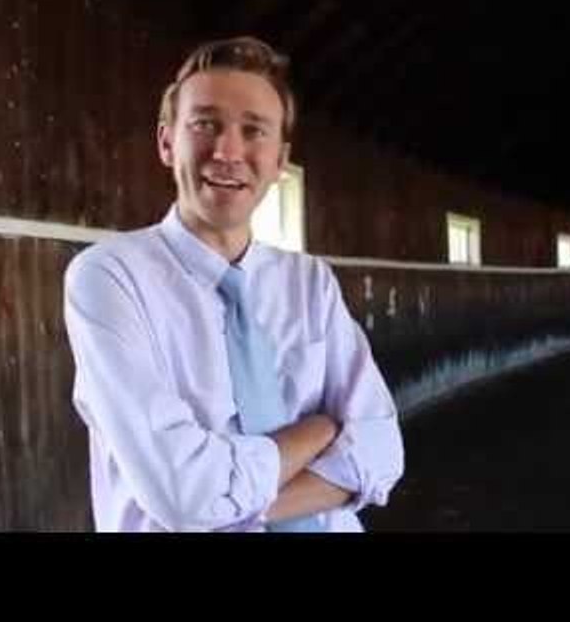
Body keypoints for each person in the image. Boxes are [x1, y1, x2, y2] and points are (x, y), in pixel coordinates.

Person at [63, 36, 404, 532]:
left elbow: (383, 451)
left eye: (254, 131)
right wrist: (322, 428)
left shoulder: (310, 283)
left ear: (281, 159)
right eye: (205, 124)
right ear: (165, 141)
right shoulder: (110, 277)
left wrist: (231, 506)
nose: (227, 151)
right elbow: (186, 494)